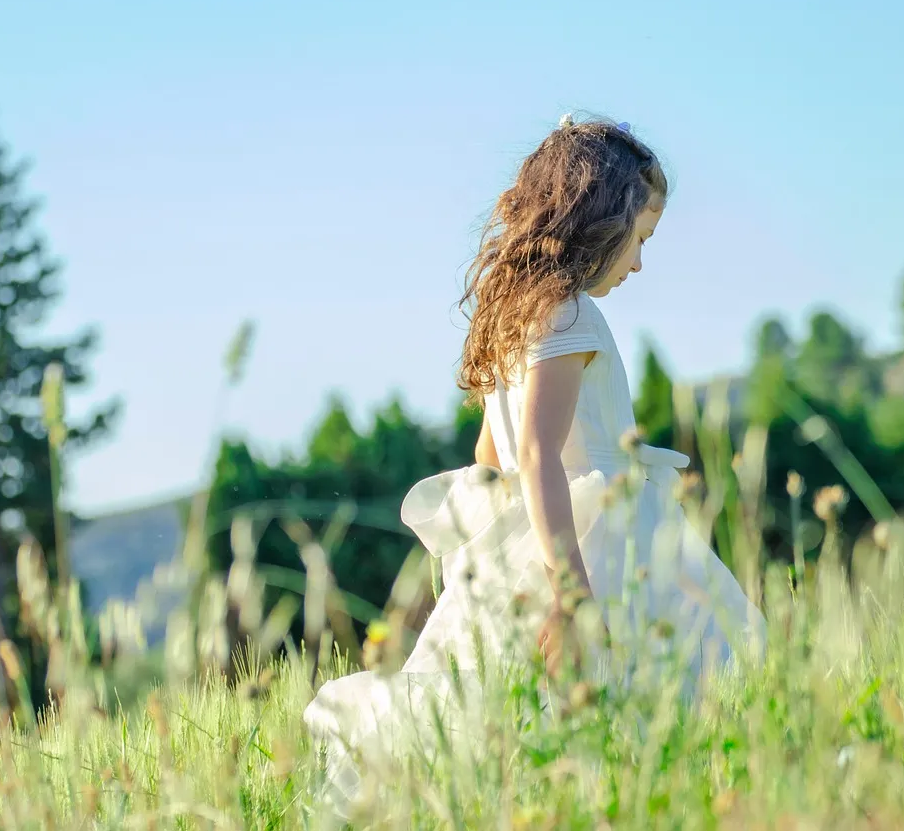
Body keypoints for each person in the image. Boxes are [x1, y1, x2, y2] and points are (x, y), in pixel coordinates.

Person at [302, 115, 765, 810]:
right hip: (599, 544)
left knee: (525, 725)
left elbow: (492, 456)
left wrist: (488, 560)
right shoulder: (570, 313)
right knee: (683, 696)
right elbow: (537, 451)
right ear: (601, 217)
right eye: (639, 240)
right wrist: (573, 596)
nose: (638, 263)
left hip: (538, 535)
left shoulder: (515, 312)